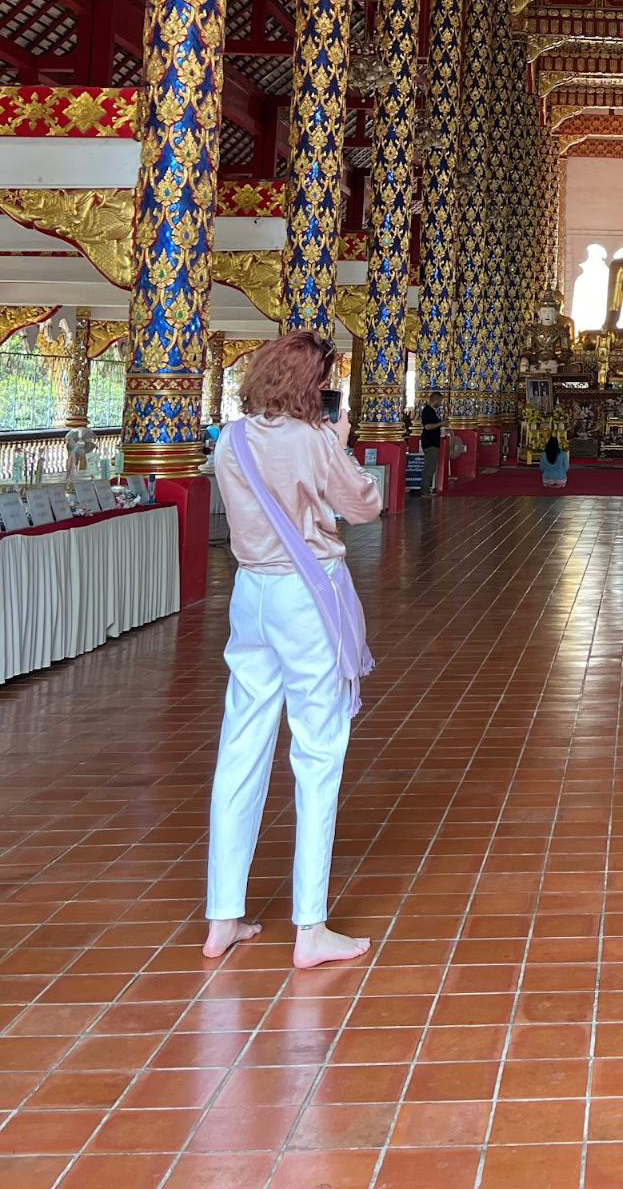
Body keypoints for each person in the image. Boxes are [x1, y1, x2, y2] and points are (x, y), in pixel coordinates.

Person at [203, 331, 382, 968]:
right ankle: (310, 928)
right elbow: (366, 506)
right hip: (307, 599)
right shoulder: (312, 440)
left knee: (241, 744)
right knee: (317, 751)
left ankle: (223, 914)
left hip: (251, 595)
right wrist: (339, 446)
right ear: (310, 386)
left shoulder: (232, 440)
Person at [418, 400, 441, 494]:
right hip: (430, 443)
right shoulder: (427, 411)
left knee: (431, 467)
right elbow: (427, 427)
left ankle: (426, 489)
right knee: (429, 467)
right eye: (440, 400)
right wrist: (441, 424)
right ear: (435, 399)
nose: (440, 403)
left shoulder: (431, 411)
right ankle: (425, 491)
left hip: (433, 443)